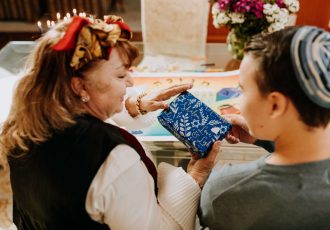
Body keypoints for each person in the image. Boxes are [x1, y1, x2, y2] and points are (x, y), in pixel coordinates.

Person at [0, 15, 220, 230]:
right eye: (121, 76)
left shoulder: (24, 126)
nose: (132, 82)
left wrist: (135, 106)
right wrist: (195, 177)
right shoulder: (114, 156)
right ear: (79, 86)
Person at [199, 26, 330, 229]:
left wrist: (198, 177)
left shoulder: (227, 192)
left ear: (275, 105)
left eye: (242, 90)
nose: (237, 100)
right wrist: (264, 137)